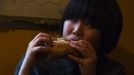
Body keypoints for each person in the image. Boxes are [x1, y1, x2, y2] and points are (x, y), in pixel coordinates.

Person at [14, 0, 126, 75]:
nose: (76, 31)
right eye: (73, 19)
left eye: (89, 24)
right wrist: (26, 66)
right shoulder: (36, 59)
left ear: (105, 34)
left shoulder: (114, 71)